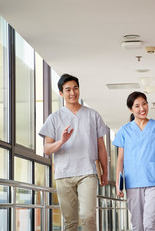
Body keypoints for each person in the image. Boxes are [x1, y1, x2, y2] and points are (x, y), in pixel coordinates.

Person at [39, 73, 108, 231]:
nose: (72, 93)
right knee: (69, 222)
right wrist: (62, 141)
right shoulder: (54, 118)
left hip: (87, 172)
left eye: (75, 88)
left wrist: (104, 173)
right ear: (61, 93)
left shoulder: (93, 115)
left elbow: (101, 147)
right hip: (64, 174)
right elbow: (46, 149)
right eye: (68, 89)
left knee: (88, 216)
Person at [113, 91, 155, 231]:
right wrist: (118, 183)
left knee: (150, 222)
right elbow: (120, 159)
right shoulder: (124, 130)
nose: (142, 109)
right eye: (137, 106)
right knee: (137, 224)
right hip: (133, 182)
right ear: (131, 109)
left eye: (144, 104)